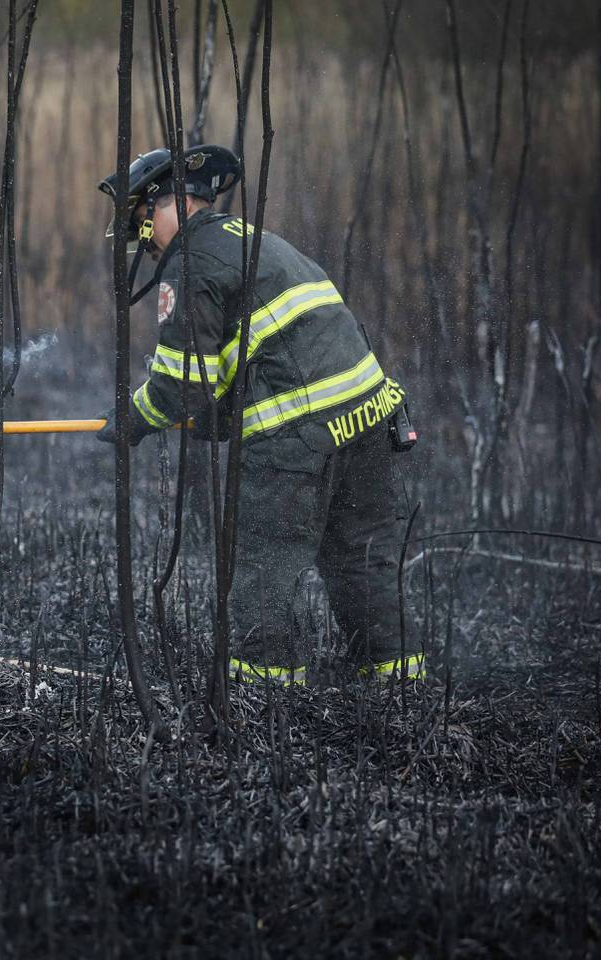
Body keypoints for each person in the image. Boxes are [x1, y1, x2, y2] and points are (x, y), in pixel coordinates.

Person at [96, 146, 422, 685]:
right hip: (371, 419)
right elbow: (261, 357)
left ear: (168, 204)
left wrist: (133, 418)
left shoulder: (192, 260)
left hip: (301, 436)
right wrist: (215, 418)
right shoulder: (253, 240)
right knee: (362, 564)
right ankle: (400, 690)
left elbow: (179, 387)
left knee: (261, 571)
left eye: (141, 218)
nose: (144, 237)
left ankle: (265, 700)